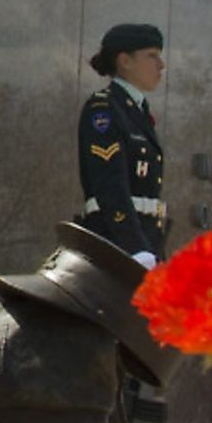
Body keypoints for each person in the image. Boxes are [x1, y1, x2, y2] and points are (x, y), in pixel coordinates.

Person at [77, 24, 168, 267]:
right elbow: (110, 184)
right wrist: (135, 248)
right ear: (125, 61)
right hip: (114, 245)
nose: (161, 65)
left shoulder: (138, 112)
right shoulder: (105, 109)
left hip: (144, 244)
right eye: (152, 56)